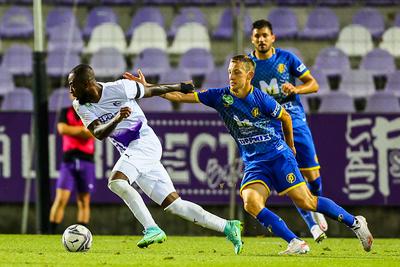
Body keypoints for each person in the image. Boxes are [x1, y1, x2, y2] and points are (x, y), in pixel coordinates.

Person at [124, 55, 373, 255]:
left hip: (277, 156)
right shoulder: (221, 97)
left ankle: (355, 223)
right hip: (255, 162)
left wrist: (291, 146)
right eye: (230, 72)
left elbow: (285, 117)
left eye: (237, 72)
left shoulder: (261, 99)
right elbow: (179, 95)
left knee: (306, 202)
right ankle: (296, 242)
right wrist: (148, 89)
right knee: (250, 202)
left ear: (249, 75)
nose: (232, 77)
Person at [69, 64, 243, 254]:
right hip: (133, 152)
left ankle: (151, 229)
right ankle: (227, 226)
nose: (71, 90)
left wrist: (178, 86)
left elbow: (150, 91)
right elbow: (98, 133)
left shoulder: (119, 88)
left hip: (145, 142)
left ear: (87, 84)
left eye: (73, 85)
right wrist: (117, 119)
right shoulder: (80, 104)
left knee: (116, 181)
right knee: (175, 205)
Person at [249, 19, 328, 241]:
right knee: (290, 178)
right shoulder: (249, 66)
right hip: (270, 127)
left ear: (272, 37)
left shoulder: (287, 58)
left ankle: (317, 206)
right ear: (252, 39)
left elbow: (313, 84)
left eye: (265, 35)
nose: (261, 39)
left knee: (312, 175)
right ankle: (312, 226)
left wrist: (296, 88)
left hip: (295, 120)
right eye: (257, 36)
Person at [49, 93, 95, 234]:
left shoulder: (92, 111)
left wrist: (73, 131)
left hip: (87, 160)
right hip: (68, 160)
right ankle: (49, 233)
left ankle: (82, 235)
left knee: (84, 201)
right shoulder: (65, 111)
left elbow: (93, 133)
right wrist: (82, 130)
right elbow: (62, 129)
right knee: (61, 199)